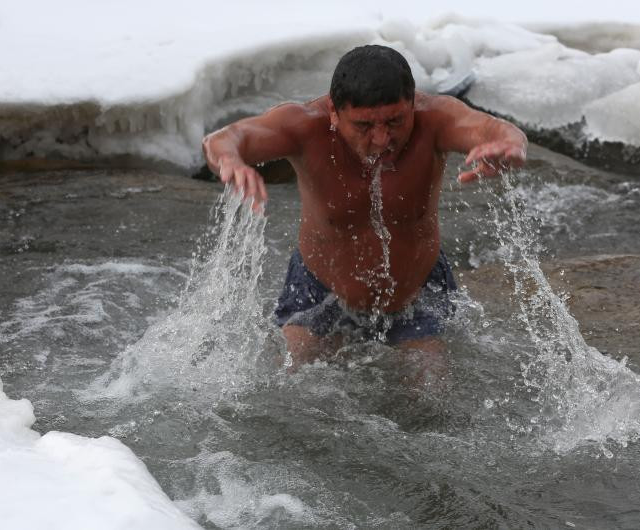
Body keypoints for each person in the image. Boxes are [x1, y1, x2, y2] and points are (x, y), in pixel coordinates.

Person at [202, 45, 527, 373]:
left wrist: (511, 145)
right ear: (333, 110)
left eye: (395, 121)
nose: (382, 138)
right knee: (290, 377)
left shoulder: (436, 120)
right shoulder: (303, 127)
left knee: (432, 392)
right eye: (364, 126)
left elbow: (494, 129)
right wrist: (229, 160)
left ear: (413, 103)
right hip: (320, 286)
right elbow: (224, 139)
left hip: (416, 289)